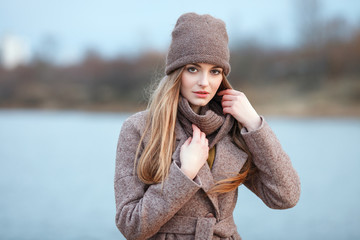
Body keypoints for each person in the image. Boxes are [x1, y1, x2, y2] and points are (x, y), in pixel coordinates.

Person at [114, 12, 301, 240]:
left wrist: (254, 124)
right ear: (176, 72)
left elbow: (285, 197)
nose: (205, 82)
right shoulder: (139, 128)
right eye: (193, 69)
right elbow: (130, 226)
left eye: (215, 71)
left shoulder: (234, 129)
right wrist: (184, 174)